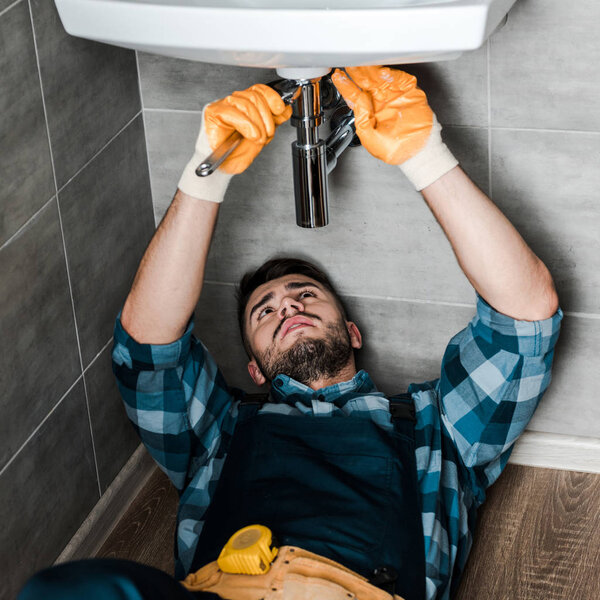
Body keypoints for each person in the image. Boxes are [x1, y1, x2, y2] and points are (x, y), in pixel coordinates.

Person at [19, 67, 562, 600]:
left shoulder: (436, 428)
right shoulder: (219, 432)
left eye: (306, 295)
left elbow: (525, 317)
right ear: (254, 368)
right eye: (265, 312)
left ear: (351, 332)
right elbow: (147, 351)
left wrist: (425, 156)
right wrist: (205, 175)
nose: (288, 307)